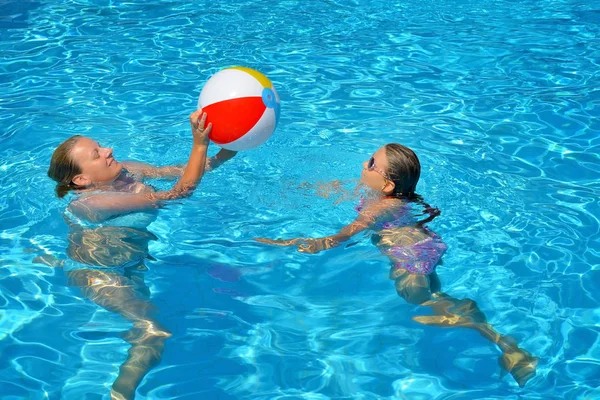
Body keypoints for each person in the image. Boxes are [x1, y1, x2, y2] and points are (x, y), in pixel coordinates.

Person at [256, 143, 538, 387]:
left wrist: (297, 242)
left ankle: (507, 347)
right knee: (435, 296)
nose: (363, 164)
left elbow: (344, 235)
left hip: (410, 254)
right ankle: (476, 322)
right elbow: (333, 190)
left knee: (416, 297)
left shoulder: (381, 206)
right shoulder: (375, 192)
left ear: (388, 185)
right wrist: (298, 188)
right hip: (421, 244)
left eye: (370, 164)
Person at [47, 110, 236, 400]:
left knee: (151, 323)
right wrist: (199, 145)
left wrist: (228, 149)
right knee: (154, 331)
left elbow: (183, 171)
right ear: (82, 179)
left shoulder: (127, 170)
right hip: (98, 275)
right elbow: (179, 193)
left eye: (102, 146)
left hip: (131, 264)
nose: (109, 150)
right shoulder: (91, 203)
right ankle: (121, 393)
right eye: (97, 154)